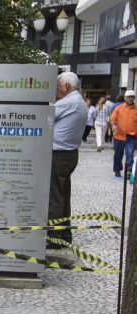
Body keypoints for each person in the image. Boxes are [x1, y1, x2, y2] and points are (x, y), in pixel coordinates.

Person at [48, 71, 87, 248]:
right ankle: (64, 235)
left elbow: (43, 117)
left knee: (55, 197)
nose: (56, 91)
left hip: (59, 155)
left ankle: (54, 237)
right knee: (63, 196)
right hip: (68, 154)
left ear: (66, 87)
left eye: (57, 87)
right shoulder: (78, 101)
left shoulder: (69, 102)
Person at [110, 89, 137, 181]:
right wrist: (113, 125)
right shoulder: (119, 108)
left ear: (134, 98)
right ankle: (117, 170)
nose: (130, 99)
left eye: (132, 97)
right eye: (128, 97)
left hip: (132, 136)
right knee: (118, 154)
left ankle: (129, 171)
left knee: (130, 154)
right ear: (125, 98)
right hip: (119, 135)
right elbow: (113, 119)